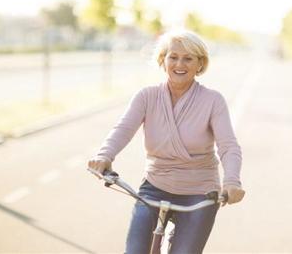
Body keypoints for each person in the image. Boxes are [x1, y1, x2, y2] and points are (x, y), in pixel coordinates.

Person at [88, 29, 245, 254]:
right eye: (173, 57)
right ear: (163, 60)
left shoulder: (213, 101)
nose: (179, 64)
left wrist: (232, 181)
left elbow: (228, 146)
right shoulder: (146, 96)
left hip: (200, 192)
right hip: (155, 186)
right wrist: (104, 155)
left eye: (188, 58)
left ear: (200, 64)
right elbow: (123, 129)